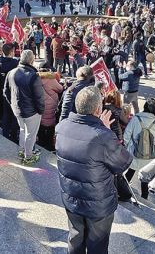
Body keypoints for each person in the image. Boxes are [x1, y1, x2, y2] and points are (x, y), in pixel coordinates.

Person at [56, 86, 132, 254]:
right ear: (98, 109)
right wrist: (103, 129)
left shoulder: (61, 127)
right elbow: (124, 162)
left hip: (71, 198)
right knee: (97, 245)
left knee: (75, 239)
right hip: (98, 203)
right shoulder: (103, 136)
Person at [4, 50, 45, 165]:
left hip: (17, 109)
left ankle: (22, 151)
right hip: (31, 111)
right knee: (30, 135)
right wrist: (41, 110)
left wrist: (12, 104)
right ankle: (28, 157)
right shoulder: (33, 76)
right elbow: (39, 97)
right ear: (32, 61)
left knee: (22, 130)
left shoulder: (11, 72)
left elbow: (5, 92)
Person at [123, 98, 155, 199]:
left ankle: (122, 190)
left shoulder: (136, 119)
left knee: (130, 173)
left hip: (134, 154)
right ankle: (144, 198)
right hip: (151, 157)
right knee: (144, 179)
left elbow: (127, 135)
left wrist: (126, 147)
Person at [37, 65, 63, 150]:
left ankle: (41, 143)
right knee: (50, 125)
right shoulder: (51, 79)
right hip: (51, 106)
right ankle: (49, 145)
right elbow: (60, 89)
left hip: (39, 106)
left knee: (41, 125)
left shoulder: (35, 79)